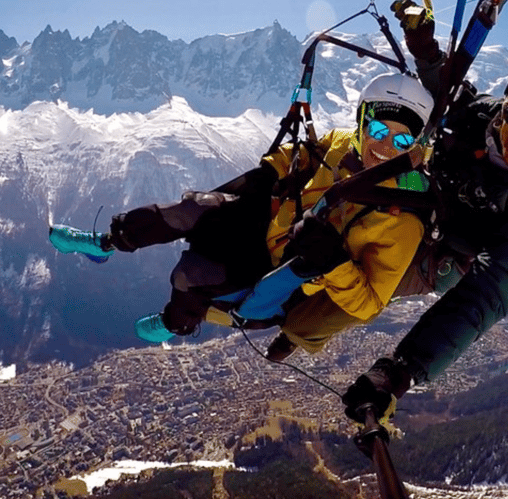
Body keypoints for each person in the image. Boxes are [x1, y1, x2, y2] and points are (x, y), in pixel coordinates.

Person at [49, 73, 435, 357]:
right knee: (191, 209)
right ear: (362, 121)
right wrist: (271, 171)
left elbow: (369, 302)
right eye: (380, 129)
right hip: (269, 225)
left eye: (403, 140)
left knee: (188, 276)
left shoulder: (402, 222)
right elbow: (300, 157)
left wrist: (334, 263)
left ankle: (175, 323)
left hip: (286, 275)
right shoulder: (339, 144)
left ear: (417, 147)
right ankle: (107, 242)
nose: (386, 147)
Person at [341, 4, 508, 422]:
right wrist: (422, 44)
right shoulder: (482, 118)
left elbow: (487, 294)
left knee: (356, 269)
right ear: (503, 109)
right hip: (439, 205)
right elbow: (449, 89)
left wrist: (400, 371)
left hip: (450, 255)